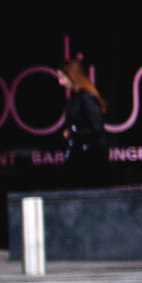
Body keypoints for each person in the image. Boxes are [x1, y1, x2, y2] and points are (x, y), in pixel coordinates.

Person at [56, 59, 108, 188]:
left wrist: (74, 134)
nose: (60, 82)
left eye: (62, 77)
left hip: (91, 157)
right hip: (78, 153)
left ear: (72, 76)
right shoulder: (72, 99)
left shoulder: (86, 97)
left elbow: (97, 129)